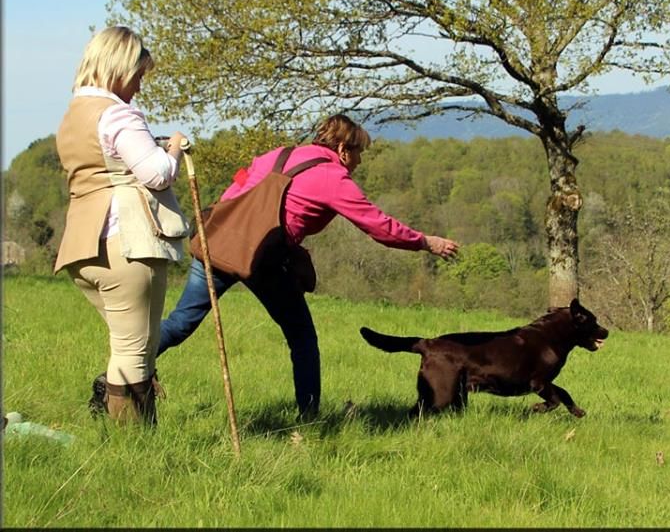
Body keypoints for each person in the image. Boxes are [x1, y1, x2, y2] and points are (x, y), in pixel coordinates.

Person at [154, 114, 460, 421]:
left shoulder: (277, 154)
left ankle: (123, 374)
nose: (360, 161)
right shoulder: (332, 177)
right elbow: (380, 227)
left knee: (180, 323)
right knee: (302, 338)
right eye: (358, 153)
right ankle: (310, 419)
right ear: (342, 149)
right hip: (265, 261)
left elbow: (233, 195)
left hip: (217, 244)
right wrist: (425, 242)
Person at [55, 25, 191, 426]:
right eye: (137, 76)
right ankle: (137, 446)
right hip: (126, 245)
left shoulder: (73, 115)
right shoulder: (117, 113)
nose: (138, 87)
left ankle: (125, 443)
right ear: (118, 67)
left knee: (125, 348)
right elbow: (156, 174)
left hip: (82, 247)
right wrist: (175, 149)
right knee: (136, 353)